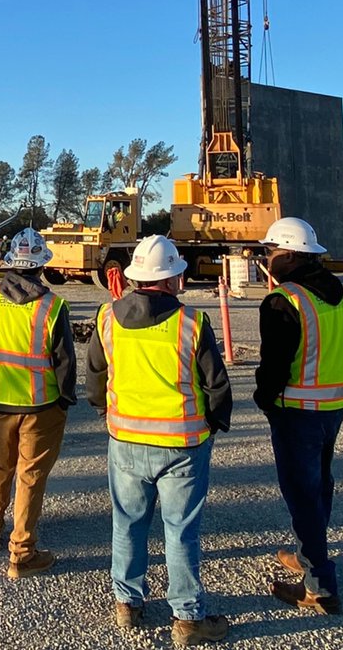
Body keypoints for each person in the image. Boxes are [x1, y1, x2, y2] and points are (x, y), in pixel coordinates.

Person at [87, 235, 233, 646]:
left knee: (127, 522)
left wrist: (105, 409)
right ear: (171, 279)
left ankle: (127, 603)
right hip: (182, 446)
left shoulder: (107, 318)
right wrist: (214, 424)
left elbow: (96, 377)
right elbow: (216, 385)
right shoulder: (192, 323)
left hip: (126, 441)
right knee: (180, 530)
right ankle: (187, 617)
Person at [255, 216, 343, 615]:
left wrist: (265, 399)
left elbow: (274, 366)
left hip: (297, 410)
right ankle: (307, 554)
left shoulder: (285, 300)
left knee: (302, 494)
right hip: (333, 404)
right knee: (319, 486)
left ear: (286, 254)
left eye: (270, 252)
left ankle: (319, 586)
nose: (267, 258)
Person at [0, 227, 76, 579]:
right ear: (41, 265)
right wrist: (65, 399)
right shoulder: (52, 306)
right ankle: (22, 553)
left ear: (11, 263)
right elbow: (64, 362)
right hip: (41, 405)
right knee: (30, 477)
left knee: (0, 467)